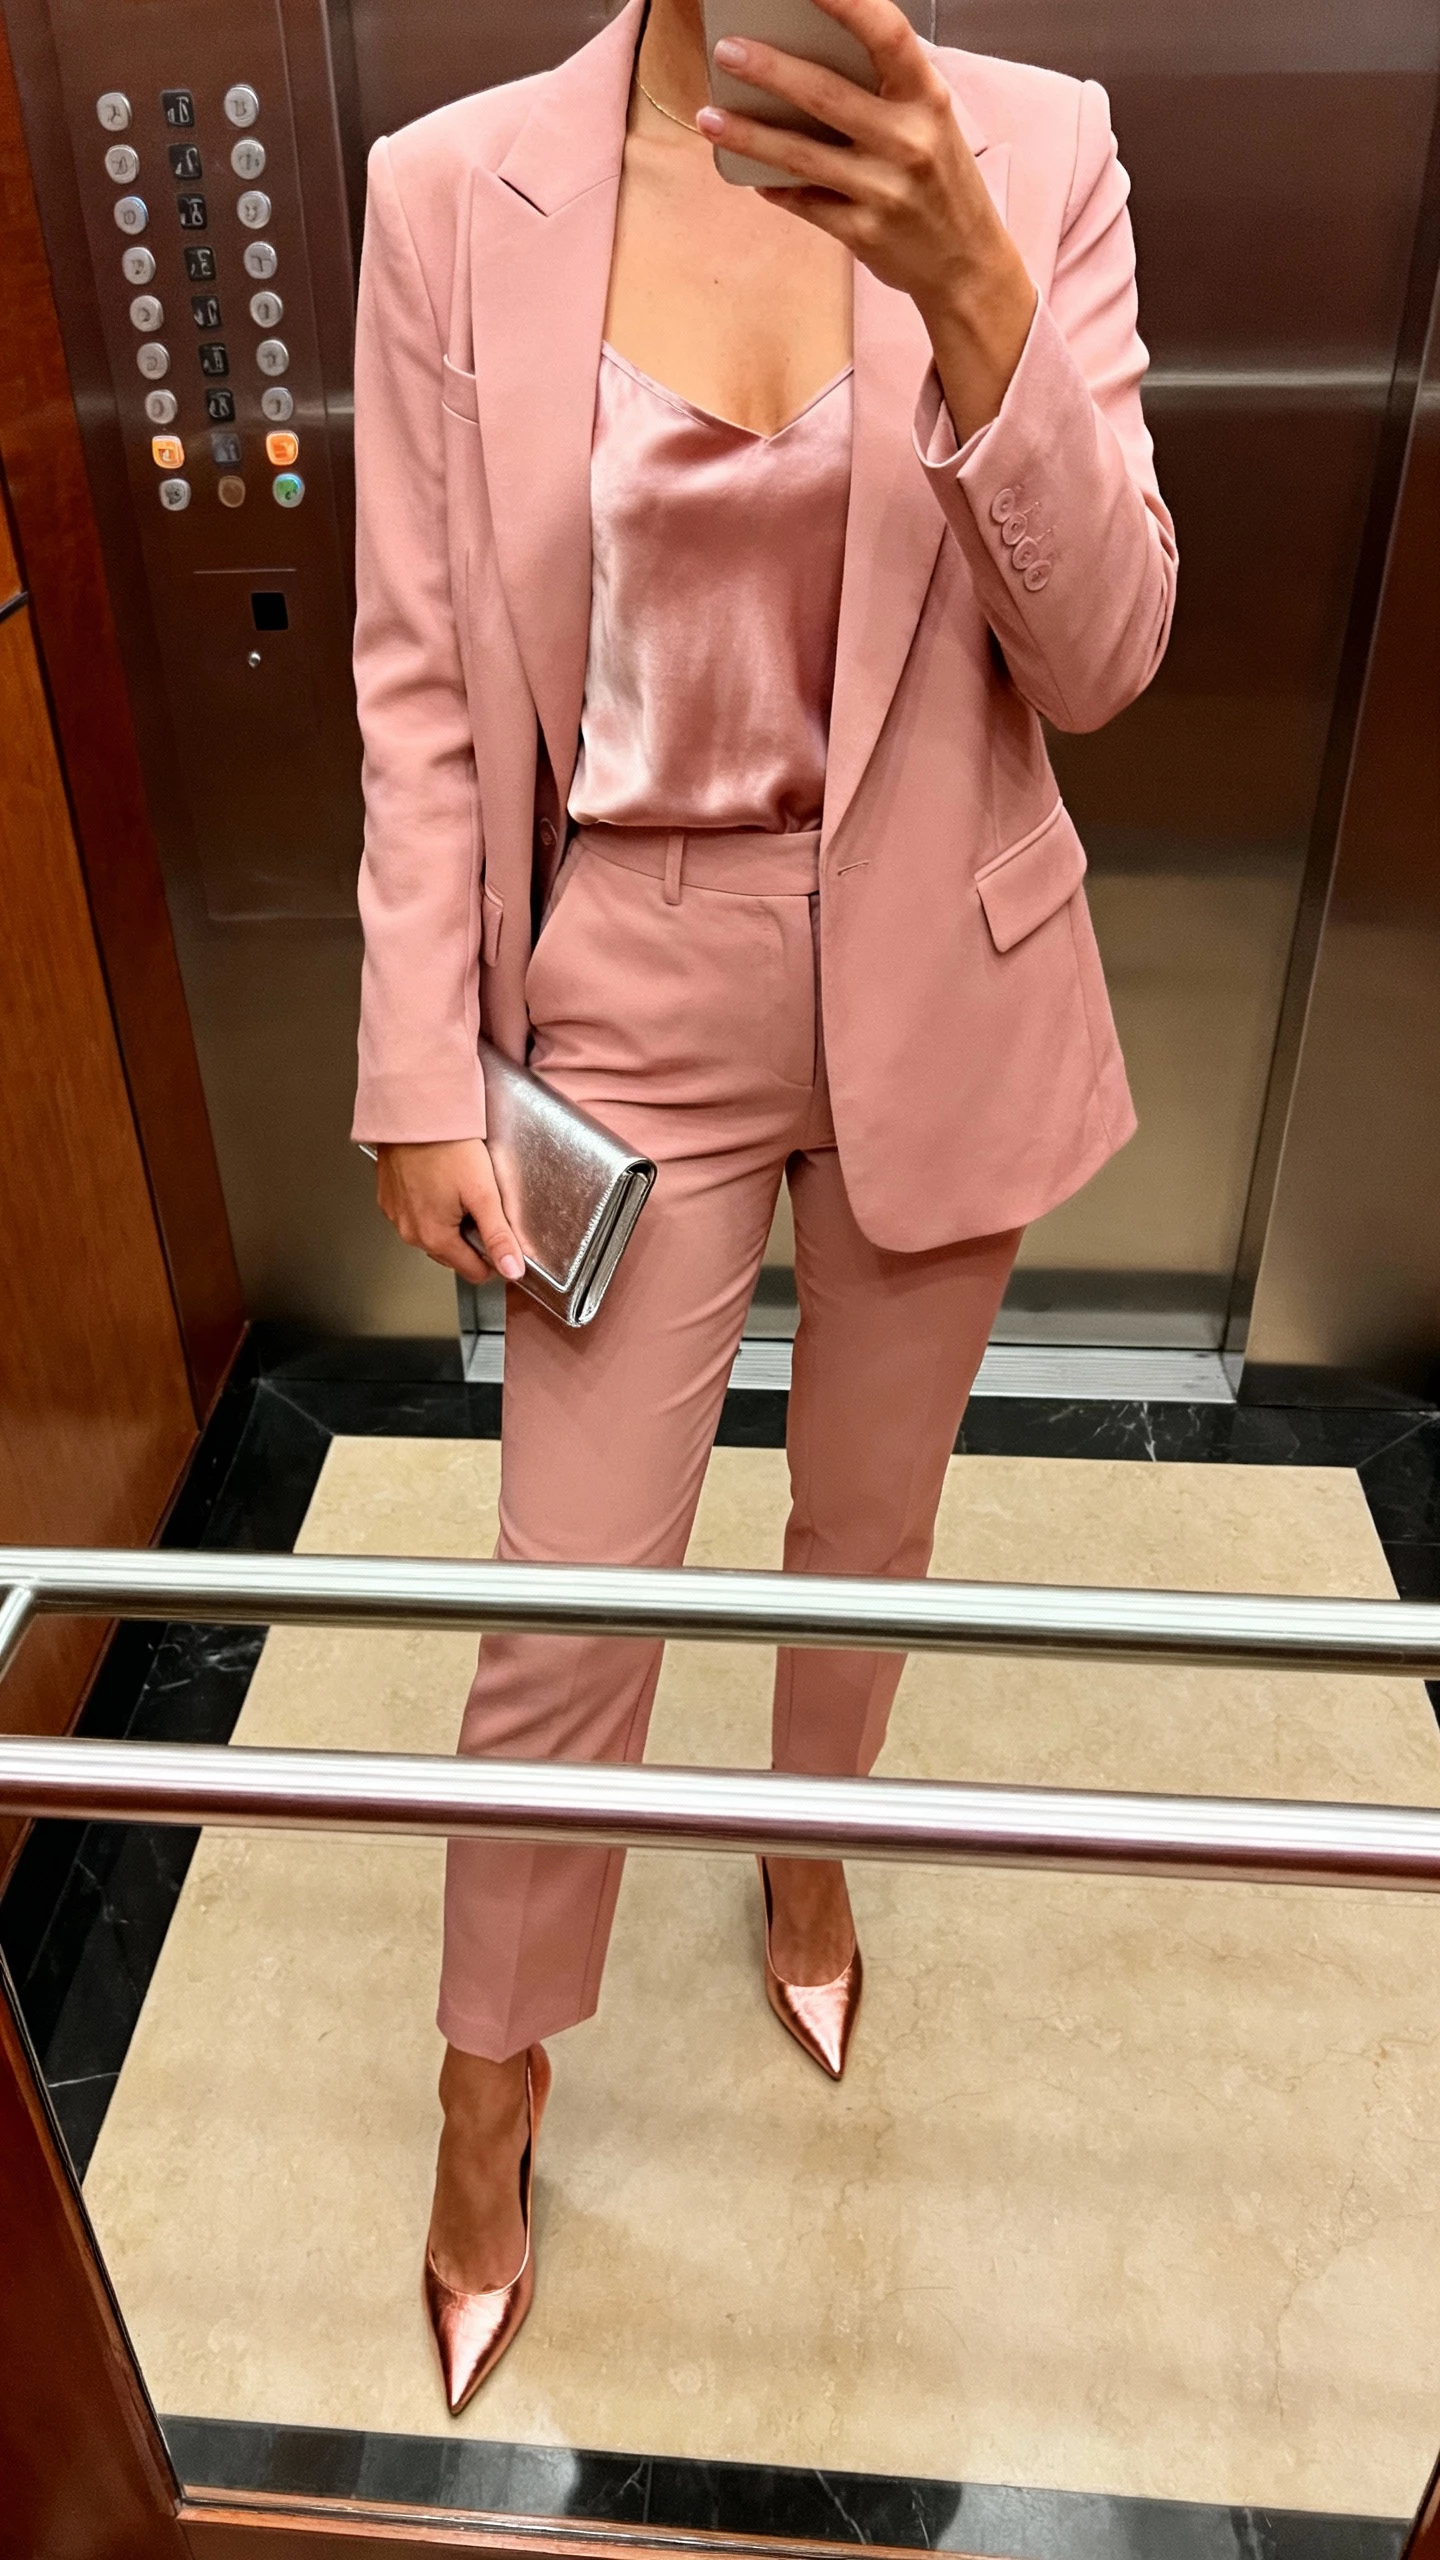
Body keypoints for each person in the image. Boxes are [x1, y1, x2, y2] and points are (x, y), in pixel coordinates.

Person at [351, 0, 1176, 2413]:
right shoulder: (453, 189)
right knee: (570, 1599)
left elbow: (1105, 656)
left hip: (949, 957)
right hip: (625, 977)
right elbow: (418, 677)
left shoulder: (1036, 148)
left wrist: (975, 281)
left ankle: (806, 1839)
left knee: (867, 1521)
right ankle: (488, 2079)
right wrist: (418, 1060)